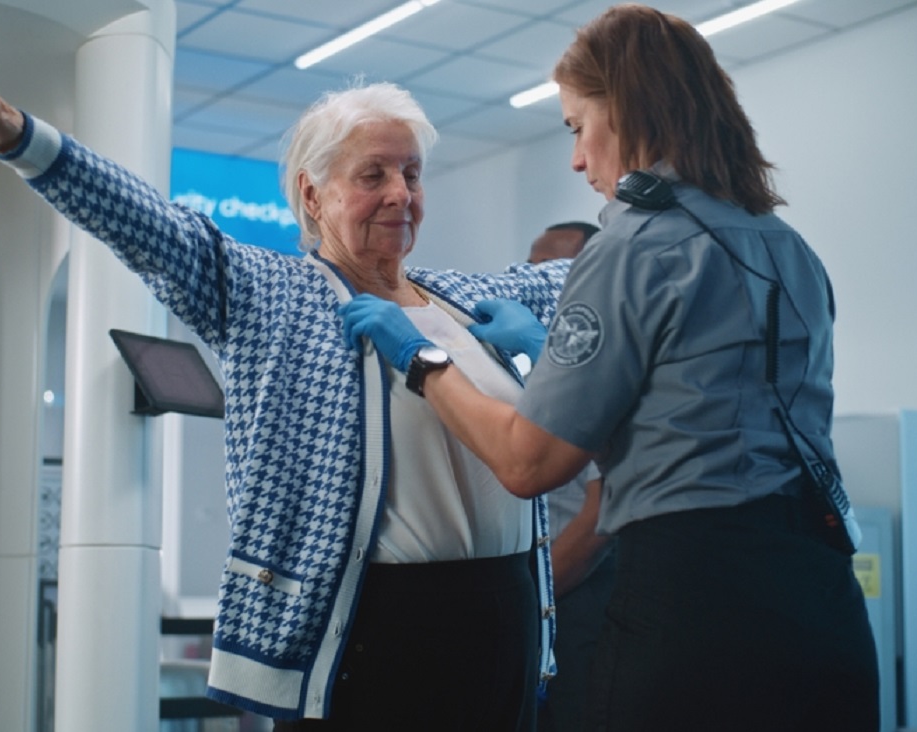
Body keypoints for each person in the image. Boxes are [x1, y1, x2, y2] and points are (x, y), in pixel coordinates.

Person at [0, 43, 571, 730]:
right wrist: (19, 140)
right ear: (312, 193)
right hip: (369, 625)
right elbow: (149, 225)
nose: (400, 193)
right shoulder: (274, 295)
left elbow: (602, 272)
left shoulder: (468, 301)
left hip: (501, 613)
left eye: (412, 173)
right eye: (373, 174)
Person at [339, 5, 880, 732]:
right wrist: (544, 349)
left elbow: (530, 464)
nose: (574, 158)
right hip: (822, 607)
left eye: (575, 126)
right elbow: (681, 393)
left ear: (626, 112)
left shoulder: (633, 244)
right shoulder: (785, 246)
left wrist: (423, 360)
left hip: (694, 612)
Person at [524, 222, 617, 732]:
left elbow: (603, 515)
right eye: (530, 267)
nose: (533, 280)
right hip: (541, 608)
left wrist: (534, 597)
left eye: (552, 270)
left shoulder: (600, 359)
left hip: (578, 602)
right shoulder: (536, 364)